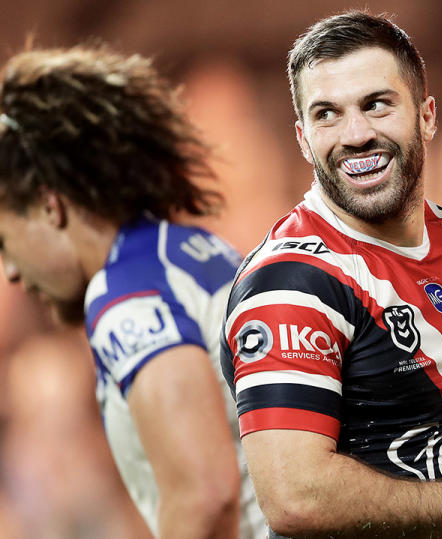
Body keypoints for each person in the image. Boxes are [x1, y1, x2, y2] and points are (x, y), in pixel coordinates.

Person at [219, 11, 442, 538]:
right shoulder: (295, 279)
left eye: (376, 105)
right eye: (327, 114)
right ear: (302, 139)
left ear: (427, 116)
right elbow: (295, 497)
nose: (355, 135)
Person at [0, 46, 266, 537]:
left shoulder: (124, 296)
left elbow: (204, 497)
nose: (11, 271)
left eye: (5, 240)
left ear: (49, 206)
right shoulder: (194, 250)